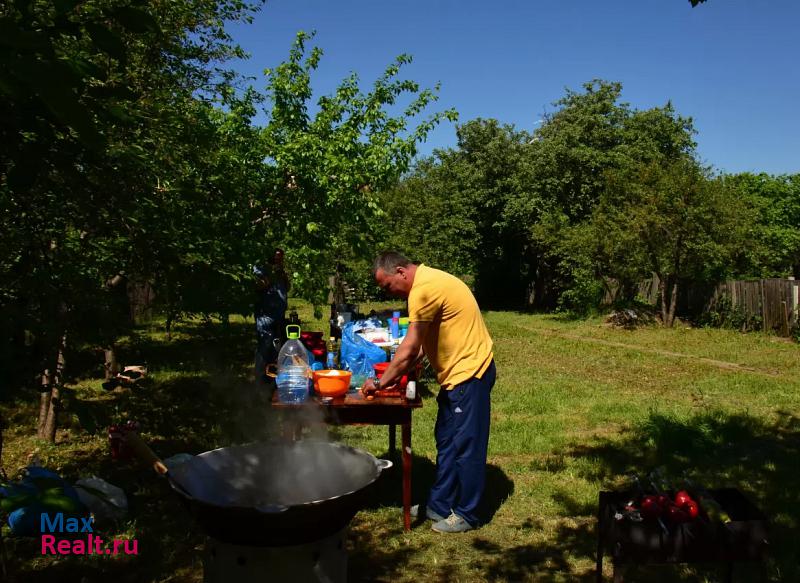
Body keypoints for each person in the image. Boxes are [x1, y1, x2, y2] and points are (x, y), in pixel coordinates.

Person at [364, 251, 496, 533]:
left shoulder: (423, 289)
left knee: (466, 446)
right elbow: (423, 343)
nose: (389, 293)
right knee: (446, 441)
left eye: (388, 286)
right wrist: (411, 366)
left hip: (470, 373)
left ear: (401, 272)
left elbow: (410, 347)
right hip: (454, 376)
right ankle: (439, 504)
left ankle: (468, 513)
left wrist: (380, 383)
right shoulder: (429, 281)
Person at [254, 248, 290, 384]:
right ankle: (259, 378)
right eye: (277, 257)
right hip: (265, 314)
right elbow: (258, 286)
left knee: (277, 346)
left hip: (279, 314)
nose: (279, 260)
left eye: (281, 258)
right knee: (264, 345)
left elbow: (288, 287)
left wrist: (282, 273)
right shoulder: (261, 268)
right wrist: (271, 274)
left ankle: (272, 378)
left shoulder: (280, 271)